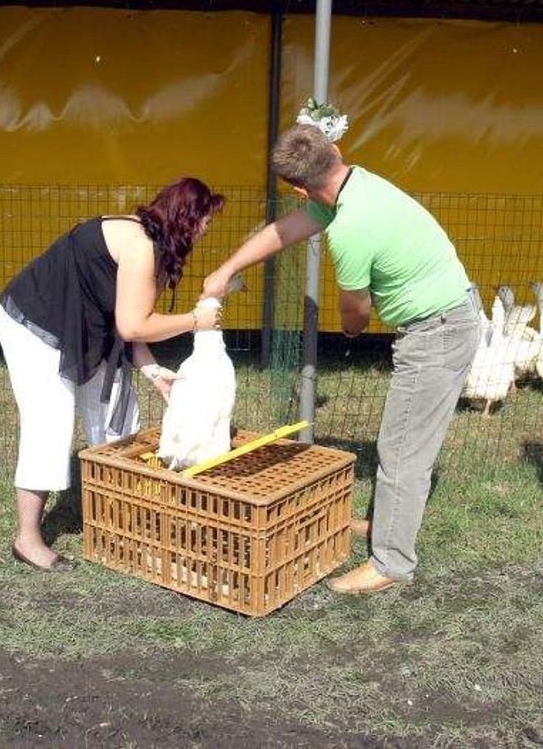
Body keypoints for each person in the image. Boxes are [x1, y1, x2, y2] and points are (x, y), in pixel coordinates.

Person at [203, 124, 481, 594]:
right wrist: (227, 268)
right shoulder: (361, 183)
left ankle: (391, 564)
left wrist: (353, 331)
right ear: (336, 151)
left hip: (437, 332)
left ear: (298, 187)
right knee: (401, 441)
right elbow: (286, 229)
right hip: (448, 319)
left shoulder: (350, 228)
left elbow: (355, 309)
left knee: (403, 450)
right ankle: (386, 526)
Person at [0, 177, 225, 571]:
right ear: (187, 218)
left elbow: (128, 325)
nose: (206, 230)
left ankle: (119, 522)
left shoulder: (154, 242)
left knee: (121, 415)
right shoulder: (141, 247)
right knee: (49, 423)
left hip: (84, 326)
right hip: (37, 323)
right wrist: (195, 321)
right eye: (205, 220)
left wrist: (153, 371)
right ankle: (27, 539)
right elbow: (135, 325)